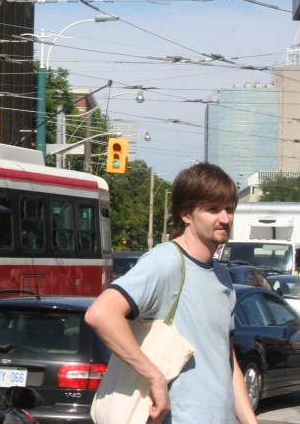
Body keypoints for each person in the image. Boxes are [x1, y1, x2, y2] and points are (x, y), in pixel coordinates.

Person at [84, 163, 258, 424]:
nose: (225, 218)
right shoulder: (167, 262)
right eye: (213, 209)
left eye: (229, 209)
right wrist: (154, 377)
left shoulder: (222, 275)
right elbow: (101, 314)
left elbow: (225, 358)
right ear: (186, 214)